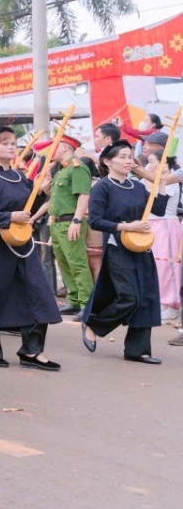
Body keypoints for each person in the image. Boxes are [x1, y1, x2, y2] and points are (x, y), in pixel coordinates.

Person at [0, 127, 62, 370]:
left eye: (13, 143)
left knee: (39, 294)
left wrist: (42, 193)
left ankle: (32, 350)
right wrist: (9, 216)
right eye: (4, 143)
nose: (11, 147)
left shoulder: (21, 178)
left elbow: (29, 208)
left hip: (24, 245)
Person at [81, 140, 169, 364]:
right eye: (121, 156)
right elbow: (97, 221)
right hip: (117, 246)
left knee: (146, 297)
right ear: (107, 161)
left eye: (130, 156)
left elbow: (157, 209)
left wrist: (162, 182)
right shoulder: (102, 186)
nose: (128, 160)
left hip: (140, 245)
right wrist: (126, 227)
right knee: (129, 296)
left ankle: (137, 350)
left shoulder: (137, 186)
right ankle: (94, 325)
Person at [47, 135, 95, 318]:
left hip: (70, 222)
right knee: (64, 263)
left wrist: (76, 220)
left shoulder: (77, 167)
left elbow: (84, 195)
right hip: (58, 223)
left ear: (65, 147)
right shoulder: (61, 170)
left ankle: (87, 304)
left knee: (77, 263)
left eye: (55, 146)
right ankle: (74, 300)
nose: (51, 150)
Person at [140, 152, 182, 322]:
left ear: (164, 164)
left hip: (166, 224)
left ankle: (172, 305)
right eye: (148, 162)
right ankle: (159, 303)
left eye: (152, 162)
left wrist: (155, 182)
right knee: (155, 266)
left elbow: (157, 201)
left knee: (168, 266)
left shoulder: (169, 181)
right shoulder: (148, 180)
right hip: (151, 225)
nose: (149, 166)